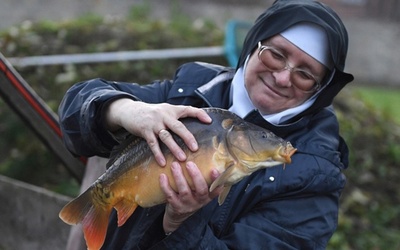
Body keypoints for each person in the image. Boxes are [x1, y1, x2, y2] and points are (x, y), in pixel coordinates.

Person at [58, 0, 354, 249]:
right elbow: (74, 109)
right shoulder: (191, 89)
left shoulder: (315, 179)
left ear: (320, 88)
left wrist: (179, 223)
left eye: (305, 73)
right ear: (254, 44)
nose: (282, 77)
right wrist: (125, 110)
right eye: (276, 55)